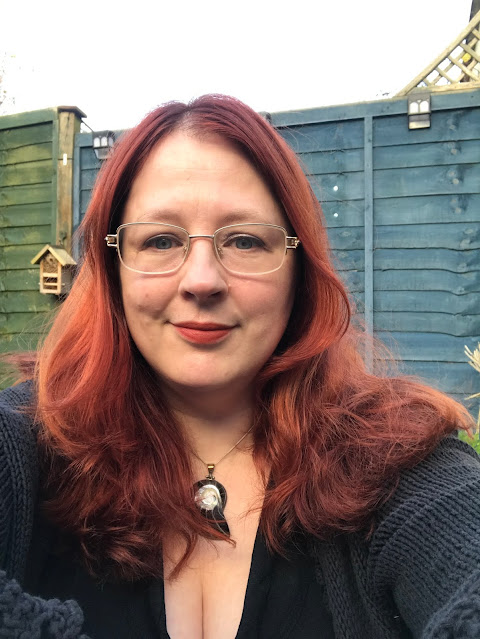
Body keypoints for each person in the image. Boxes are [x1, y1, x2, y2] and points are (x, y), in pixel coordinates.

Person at [1, 94, 479, 639]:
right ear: (113, 269)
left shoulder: (398, 466)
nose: (202, 280)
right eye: (159, 240)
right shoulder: (25, 447)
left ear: (300, 270)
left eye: (246, 241)